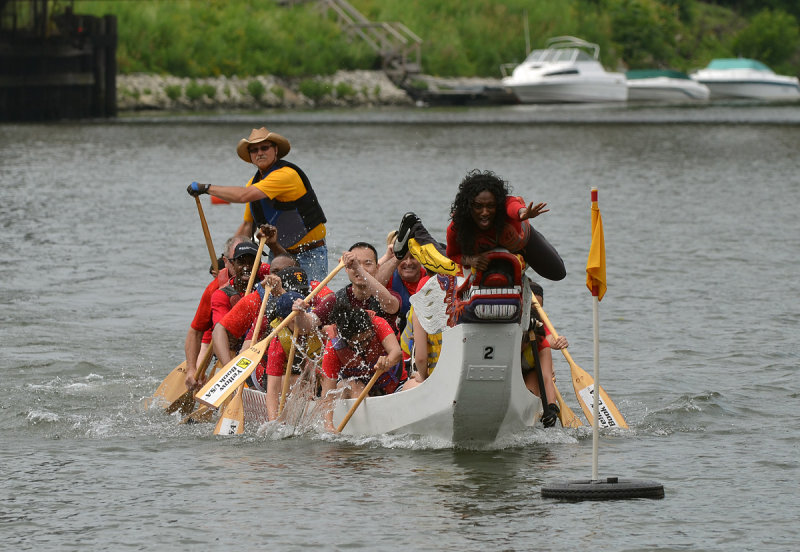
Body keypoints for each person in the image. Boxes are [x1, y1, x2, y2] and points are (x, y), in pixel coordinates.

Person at [186, 127, 329, 282]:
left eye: (264, 148)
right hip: (278, 254)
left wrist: (206, 188)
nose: (259, 153)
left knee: (309, 303)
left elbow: (243, 196)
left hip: (309, 253)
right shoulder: (254, 184)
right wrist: (226, 259)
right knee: (274, 302)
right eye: (254, 150)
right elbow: (247, 226)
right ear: (251, 156)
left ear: (275, 150)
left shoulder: (286, 175)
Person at [446, 170, 566, 281]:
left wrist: (522, 213)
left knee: (558, 274)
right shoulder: (457, 226)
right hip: (484, 255)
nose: (485, 212)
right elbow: (452, 255)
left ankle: (526, 259)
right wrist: (471, 260)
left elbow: (513, 206)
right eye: (478, 206)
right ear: (468, 207)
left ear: (498, 205)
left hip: (521, 243)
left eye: (490, 206)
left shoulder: (506, 206)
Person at [318, 300, 405, 431]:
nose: (365, 345)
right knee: (353, 385)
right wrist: (329, 426)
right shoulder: (333, 348)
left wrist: (387, 362)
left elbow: (396, 353)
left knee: (414, 383)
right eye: (359, 343)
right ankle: (366, 434)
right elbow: (328, 393)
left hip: (392, 383)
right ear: (346, 340)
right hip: (357, 388)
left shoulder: (378, 323)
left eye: (368, 339)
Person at [184, 234, 249, 391]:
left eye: (250, 260)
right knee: (197, 376)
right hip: (220, 341)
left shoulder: (263, 279)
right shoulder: (214, 290)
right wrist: (192, 369)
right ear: (227, 262)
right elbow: (196, 331)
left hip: (251, 341)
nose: (246, 267)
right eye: (238, 261)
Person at [306, 243, 402, 333]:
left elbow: (390, 305)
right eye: (355, 263)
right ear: (346, 268)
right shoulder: (337, 299)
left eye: (368, 263)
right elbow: (307, 324)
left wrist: (357, 268)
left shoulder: (389, 296)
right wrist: (300, 314)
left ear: (377, 268)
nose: (361, 268)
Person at [262, 291, 325, 421]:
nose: (300, 326)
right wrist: (273, 422)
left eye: (301, 318)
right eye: (294, 321)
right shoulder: (278, 342)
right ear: (282, 320)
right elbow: (272, 390)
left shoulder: (318, 326)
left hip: (312, 376)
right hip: (285, 380)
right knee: (297, 382)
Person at [522, 281, 568, 427]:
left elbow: (547, 378)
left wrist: (551, 408)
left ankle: (532, 407)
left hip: (531, 374)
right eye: (531, 308)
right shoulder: (509, 329)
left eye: (538, 309)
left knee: (538, 375)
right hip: (509, 375)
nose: (534, 313)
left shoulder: (539, 334)